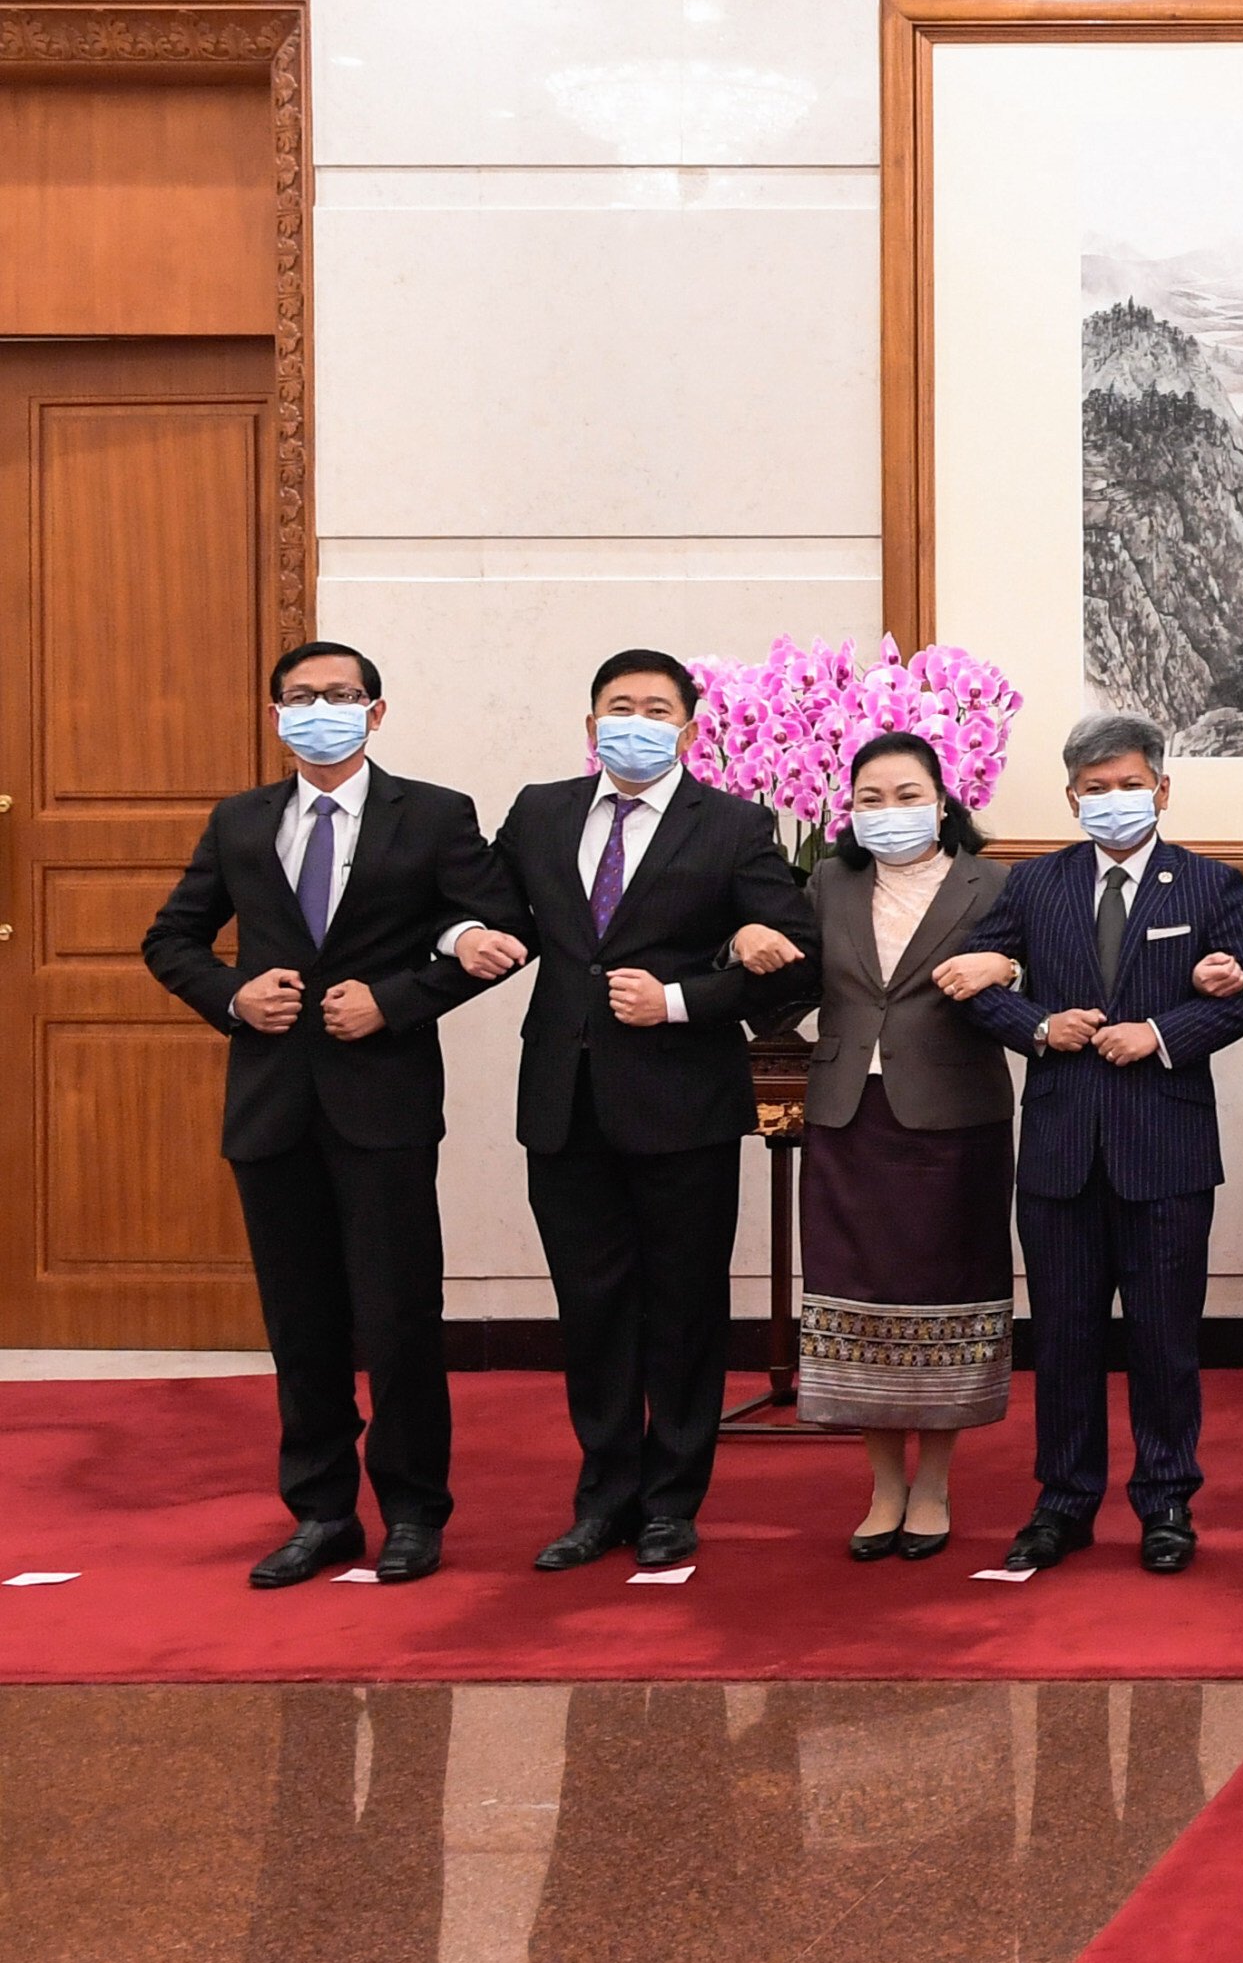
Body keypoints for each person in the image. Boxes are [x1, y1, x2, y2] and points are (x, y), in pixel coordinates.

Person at [142, 640, 507, 1588]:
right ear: (276, 718)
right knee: (299, 1322)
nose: (321, 710)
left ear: (375, 713)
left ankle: (416, 1513)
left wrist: (398, 998)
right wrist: (230, 997)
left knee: (398, 1319)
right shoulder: (240, 821)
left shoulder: (432, 814)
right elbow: (171, 937)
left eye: (340, 695)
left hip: (381, 1100)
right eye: (301, 697)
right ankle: (320, 1512)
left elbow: (498, 935)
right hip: (270, 1105)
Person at [449, 648, 813, 1572]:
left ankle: (671, 1501)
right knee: (593, 1308)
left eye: (656, 708)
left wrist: (686, 995)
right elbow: (489, 909)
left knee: (683, 1309)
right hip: (563, 1103)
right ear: (590, 725)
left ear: (688, 729)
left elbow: (795, 953)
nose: (636, 721)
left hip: (681, 1101)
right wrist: (465, 933)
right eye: (619, 706)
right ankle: (603, 1495)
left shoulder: (734, 825)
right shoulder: (541, 810)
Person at [963, 713, 1243, 1576]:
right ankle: (1062, 1502)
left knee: (1164, 1339)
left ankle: (1167, 1500)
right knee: (1062, 1337)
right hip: (1062, 1153)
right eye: (1094, 791)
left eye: (1128, 785)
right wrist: (1040, 1026)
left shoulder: (1208, 886)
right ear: (1071, 798)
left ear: (1163, 790)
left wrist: (1163, 1033)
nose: (1113, 802)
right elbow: (973, 981)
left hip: (1165, 1149)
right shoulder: (1032, 886)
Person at [778, 732, 1020, 1560]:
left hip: (956, 1118)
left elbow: (1044, 971)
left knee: (946, 1293)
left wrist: (1008, 971)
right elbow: (793, 979)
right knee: (859, 1297)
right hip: (849, 1117)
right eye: (871, 798)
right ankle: (883, 1487)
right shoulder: (828, 880)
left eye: (908, 795)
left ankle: (935, 1484)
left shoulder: (994, 884)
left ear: (944, 801)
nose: (891, 812)